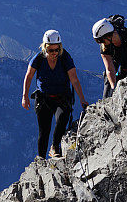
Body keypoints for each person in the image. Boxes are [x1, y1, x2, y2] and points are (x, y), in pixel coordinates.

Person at [22, 29, 89, 159]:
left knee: (62, 119)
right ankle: (41, 158)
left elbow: (74, 79)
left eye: (56, 50)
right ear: (45, 48)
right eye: (50, 50)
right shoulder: (39, 58)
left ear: (60, 48)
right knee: (44, 130)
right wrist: (25, 96)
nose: (54, 53)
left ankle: (55, 147)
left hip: (62, 97)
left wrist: (82, 99)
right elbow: (28, 76)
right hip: (43, 98)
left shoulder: (65, 58)